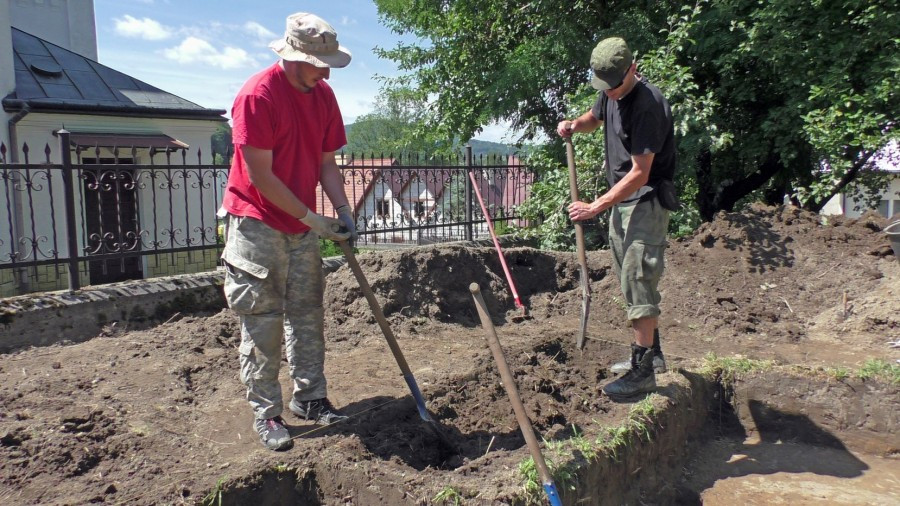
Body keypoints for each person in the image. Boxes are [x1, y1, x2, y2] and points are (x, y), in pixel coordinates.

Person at [218, 12, 359, 451]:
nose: (326, 71)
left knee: (307, 312)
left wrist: (341, 209)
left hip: (300, 222)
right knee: (263, 320)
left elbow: (325, 163)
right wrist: (313, 220)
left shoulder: (323, 97)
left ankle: (311, 398)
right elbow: (262, 176)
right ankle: (267, 413)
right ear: (295, 57)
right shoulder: (257, 96)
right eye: (319, 63)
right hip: (257, 223)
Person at [557, 37, 679, 398]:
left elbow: (641, 173)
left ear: (633, 69)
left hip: (646, 200)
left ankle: (642, 373)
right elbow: (594, 118)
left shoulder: (648, 105)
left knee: (639, 276)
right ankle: (651, 356)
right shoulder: (610, 90)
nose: (609, 94)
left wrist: (595, 206)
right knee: (629, 280)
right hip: (623, 204)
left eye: (615, 86)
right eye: (603, 87)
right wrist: (574, 125)